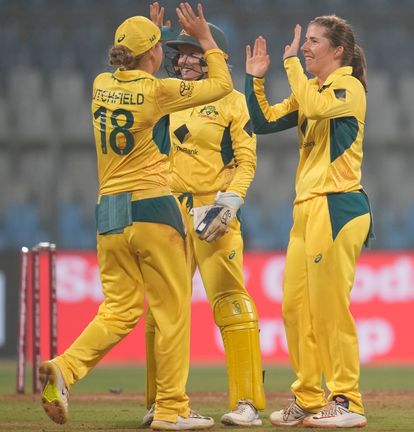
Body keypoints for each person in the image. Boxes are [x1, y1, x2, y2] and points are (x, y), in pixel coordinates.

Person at [38, 3, 232, 430]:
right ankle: (170, 409)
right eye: (159, 48)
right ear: (153, 55)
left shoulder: (99, 84)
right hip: (152, 208)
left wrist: (151, 37)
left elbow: (138, 71)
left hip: (108, 212)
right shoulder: (157, 92)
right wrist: (204, 39)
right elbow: (221, 84)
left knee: (119, 309)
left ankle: (65, 370)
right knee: (172, 312)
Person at [244, 16, 371, 428]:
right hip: (306, 209)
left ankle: (347, 401)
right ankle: (309, 398)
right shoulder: (312, 89)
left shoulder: (347, 88)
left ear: (338, 51)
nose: (305, 47)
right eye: (306, 41)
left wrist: (290, 66)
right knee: (296, 308)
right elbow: (261, 122)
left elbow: (314, 106)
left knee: (329, 310)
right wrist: (255, 80)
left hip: (337, 207)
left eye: (315, 41)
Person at [141, 8, 265, 428]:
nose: (186, 60)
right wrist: (153, 32)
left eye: (195, 52)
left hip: (214, 209)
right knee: (163, 310)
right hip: (169, 210)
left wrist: (229, 202)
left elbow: (246, 160)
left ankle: (247, 403)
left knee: (231, 302)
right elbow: (139, 76)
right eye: (181, 53)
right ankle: (162, 404)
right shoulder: (166, 93)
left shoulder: (232, 100)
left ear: (216, 57)